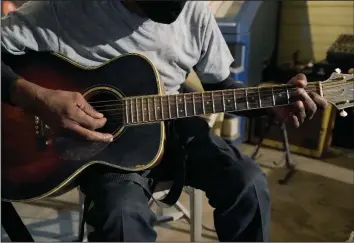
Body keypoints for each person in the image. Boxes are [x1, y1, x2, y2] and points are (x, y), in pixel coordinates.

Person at [1, 1, 328, 242]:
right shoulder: (65, 10)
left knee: (249, 184)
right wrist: (36, 98)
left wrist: (272, 106)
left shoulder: (194, 13)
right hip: (105, 149)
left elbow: (223, 89)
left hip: (175, 128)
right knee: (123, 221)